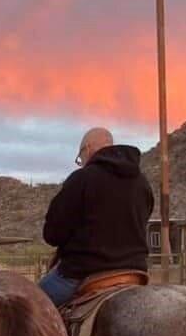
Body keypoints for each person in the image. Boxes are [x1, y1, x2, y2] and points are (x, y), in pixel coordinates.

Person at [38, 127, 155, 307]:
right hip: (135, 271)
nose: (82, 162)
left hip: (84, 271)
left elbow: (53, 234)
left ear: (88, 148)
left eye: (80, 157)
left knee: (30, 304)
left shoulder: (82, 178)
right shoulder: (142, 182)